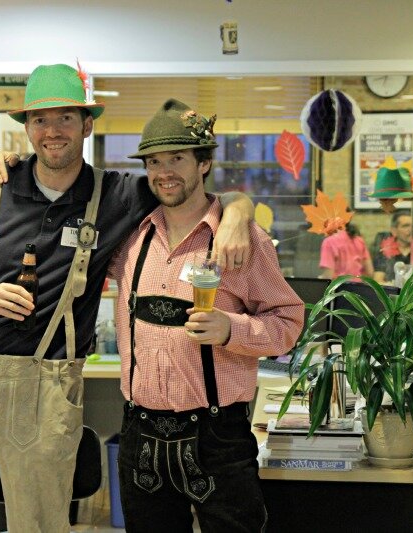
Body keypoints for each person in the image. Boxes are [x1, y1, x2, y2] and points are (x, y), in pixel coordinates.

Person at [0, 63, 255, 533]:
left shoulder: (118, 195)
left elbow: (193, 188)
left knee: (42, 525)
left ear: (88, 125)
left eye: (66, 118)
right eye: (40, 120)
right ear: (26, 129)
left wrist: (236, 214)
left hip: (48, 390)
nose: (52, 131)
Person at [106, 99, 304, 532]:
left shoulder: (242, 241)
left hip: (217, 438)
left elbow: (289, 322)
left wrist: (231, 329)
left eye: (177, 158)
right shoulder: (132, 237)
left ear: (205, 163)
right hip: (140, 432)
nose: (164, 172)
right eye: (155, 161)